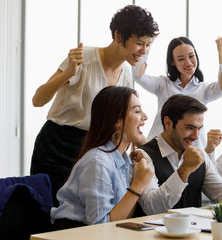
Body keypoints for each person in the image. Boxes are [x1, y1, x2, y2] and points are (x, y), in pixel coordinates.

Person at [30, 5, 159, 206]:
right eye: (139, 44)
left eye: (149, 45)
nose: (144, 51)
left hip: (92, 148)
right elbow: (37, 100)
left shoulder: (126, 74)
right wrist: (68, 74)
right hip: (57, 145)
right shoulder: (84, 58)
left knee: (83, 214)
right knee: (49, 212)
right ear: (118, 36)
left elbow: (120, 121)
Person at [51, 86, 153, 229]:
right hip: (74, 234)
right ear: (117, 120)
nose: (145, 117)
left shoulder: (124, 160)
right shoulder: (98, 162)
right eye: (137, 111)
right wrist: (138, 185)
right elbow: (100, 227)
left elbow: (122, 219)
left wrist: (136, 180)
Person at [137, 94, 222, 215]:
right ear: (168, 123)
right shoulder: (143, 155)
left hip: (195, 231)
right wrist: (184, 170)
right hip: (153, 233)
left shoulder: (200, 155)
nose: (196, 136)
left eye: (199, 128)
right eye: (189, 128)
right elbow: (151, 209)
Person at [133, 36, 222, 153]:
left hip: (192, 150)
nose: (188, 63)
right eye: (181, 59)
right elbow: (138, 76)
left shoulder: (203, 89)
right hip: (161, 150)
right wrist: (147, 45)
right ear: (172, 62)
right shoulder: (163, 84)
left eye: (191, 56)